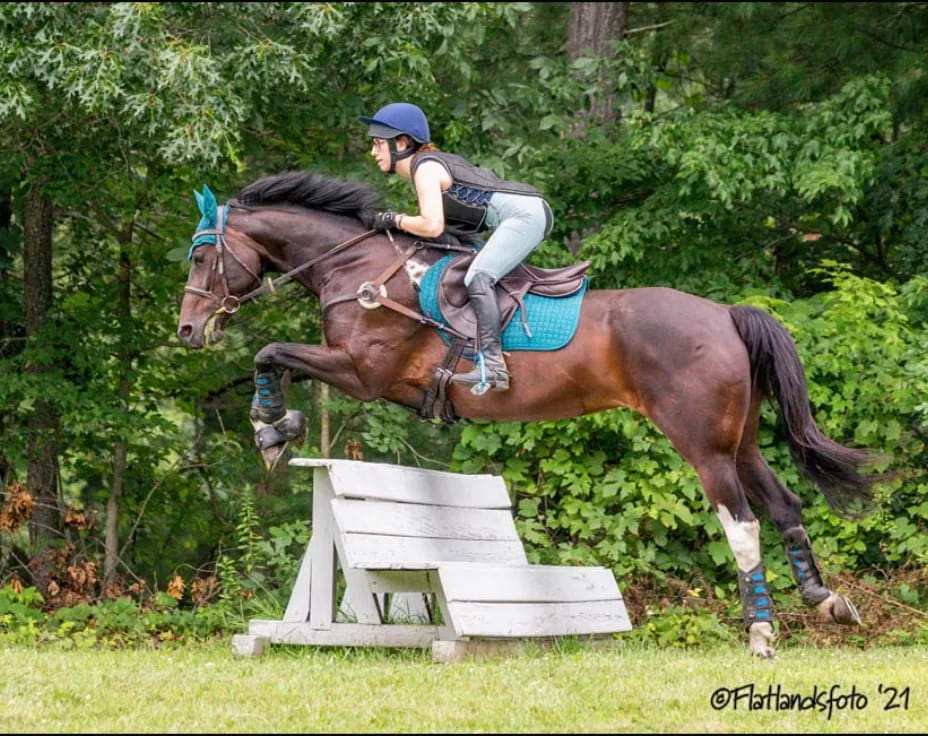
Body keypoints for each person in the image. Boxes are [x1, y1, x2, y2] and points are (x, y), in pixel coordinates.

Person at [358, 102, 553, 394]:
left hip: (524, 215)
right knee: (474, 268)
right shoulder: (430, 164)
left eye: (377, 144)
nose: (373, 152)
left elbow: (432, 226)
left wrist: (393, 219)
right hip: (528, 212)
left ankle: (493, 365)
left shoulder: (425, 168)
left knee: (478, 277)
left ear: (401, 142)